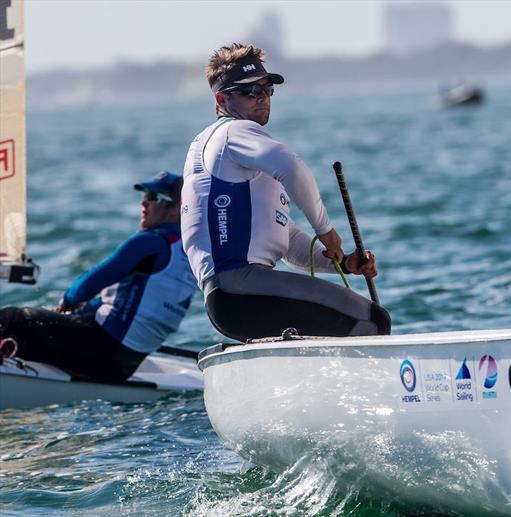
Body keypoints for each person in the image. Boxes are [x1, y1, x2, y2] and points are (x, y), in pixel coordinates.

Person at [181, 42, 390, 341]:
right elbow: (292, 168)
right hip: (243, 288)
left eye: (266, 89)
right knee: (372, 321)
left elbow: (288, 241)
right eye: (249, 91)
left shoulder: (227, 153)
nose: (262, 98)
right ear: (221, 99)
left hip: (228, 302)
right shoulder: (233, 132)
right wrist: (327, 230)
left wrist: (343, 262)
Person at [0, 172, 197, 382]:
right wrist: (74, 313)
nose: (144, 204)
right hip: (123, 364)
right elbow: (121, 304)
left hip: (101, 352)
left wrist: (68, 301)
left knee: (17, 319)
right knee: (55, 324)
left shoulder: (150, 242)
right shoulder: (190, 252)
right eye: (145, 196)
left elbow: (87, 285)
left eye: (154, 197)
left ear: (176, 208)